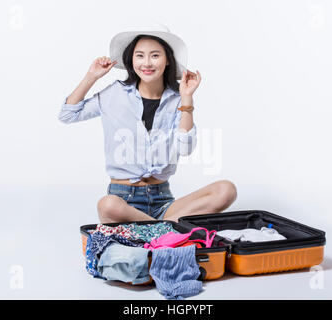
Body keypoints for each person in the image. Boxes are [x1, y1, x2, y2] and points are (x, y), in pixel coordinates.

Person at [58, 24, 237, 223]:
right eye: (140, 55)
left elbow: (185, 148)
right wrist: (91, 76)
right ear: (131, 59)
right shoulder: (114, 94)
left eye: (155, 55)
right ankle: (167, 229)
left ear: (167, 60)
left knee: (226, 190)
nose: (147, 63)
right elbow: (68, 114)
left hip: (163, 201)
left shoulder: (177, 99)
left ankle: (157, 228)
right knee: (107, 205)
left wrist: (187, 99)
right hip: (123, 202)